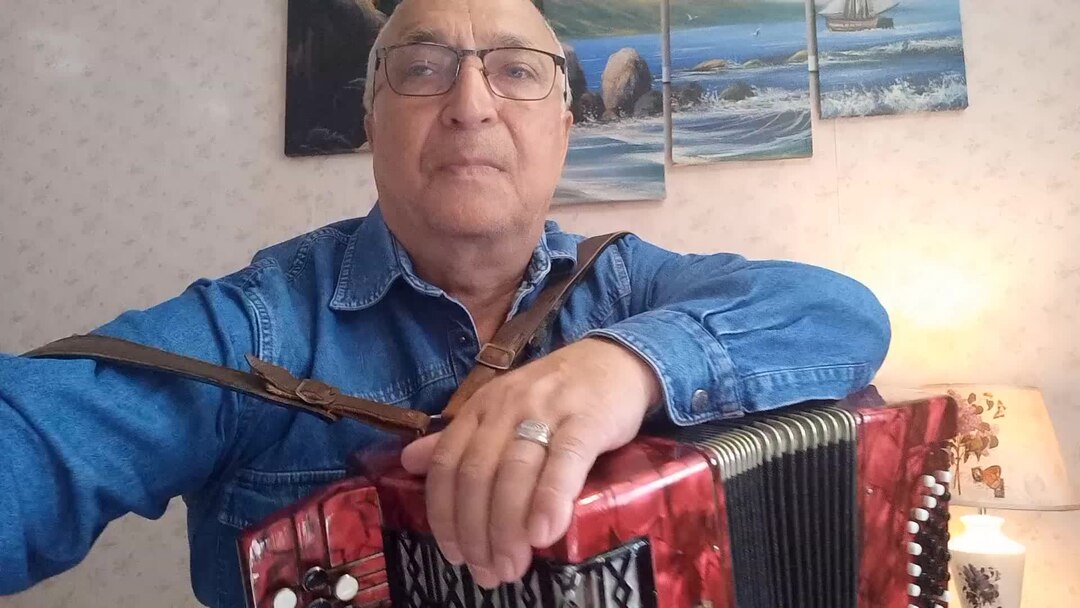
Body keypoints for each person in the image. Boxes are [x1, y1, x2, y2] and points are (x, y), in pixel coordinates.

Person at [0, 0, 891, 604]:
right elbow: (34, 442)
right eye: (423, 69)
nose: (471, 105)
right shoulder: (255, 326)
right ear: (370, 123)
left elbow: (841, 312)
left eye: (517, 72)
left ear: (565, 129)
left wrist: (623, 366)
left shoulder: (630, 285)